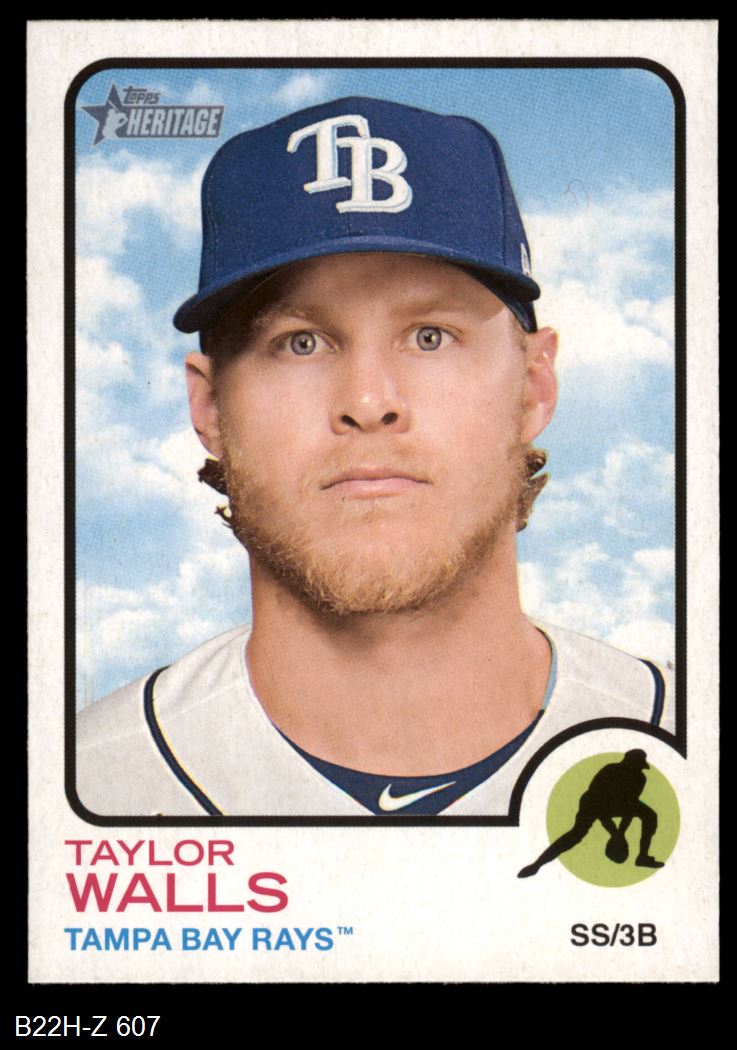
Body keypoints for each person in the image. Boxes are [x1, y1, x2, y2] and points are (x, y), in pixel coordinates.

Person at [76, 96, 672, 818]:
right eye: (300, 343)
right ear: (208, 409)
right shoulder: (80, 786)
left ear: (533, 386)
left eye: (430, 336)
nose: (367, 401)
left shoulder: (686, 748)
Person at [517, 749, 665, 877]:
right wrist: (614, 833)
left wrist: (620, 834)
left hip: (617, 804)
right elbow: (598, 805)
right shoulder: (610, 770)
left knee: (649, 815)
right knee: (576, 834)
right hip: (591, 803)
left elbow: (630, 805)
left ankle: (642, 857)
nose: (639, 769)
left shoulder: (640, 778)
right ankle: (537, 864)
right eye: (637, 766)